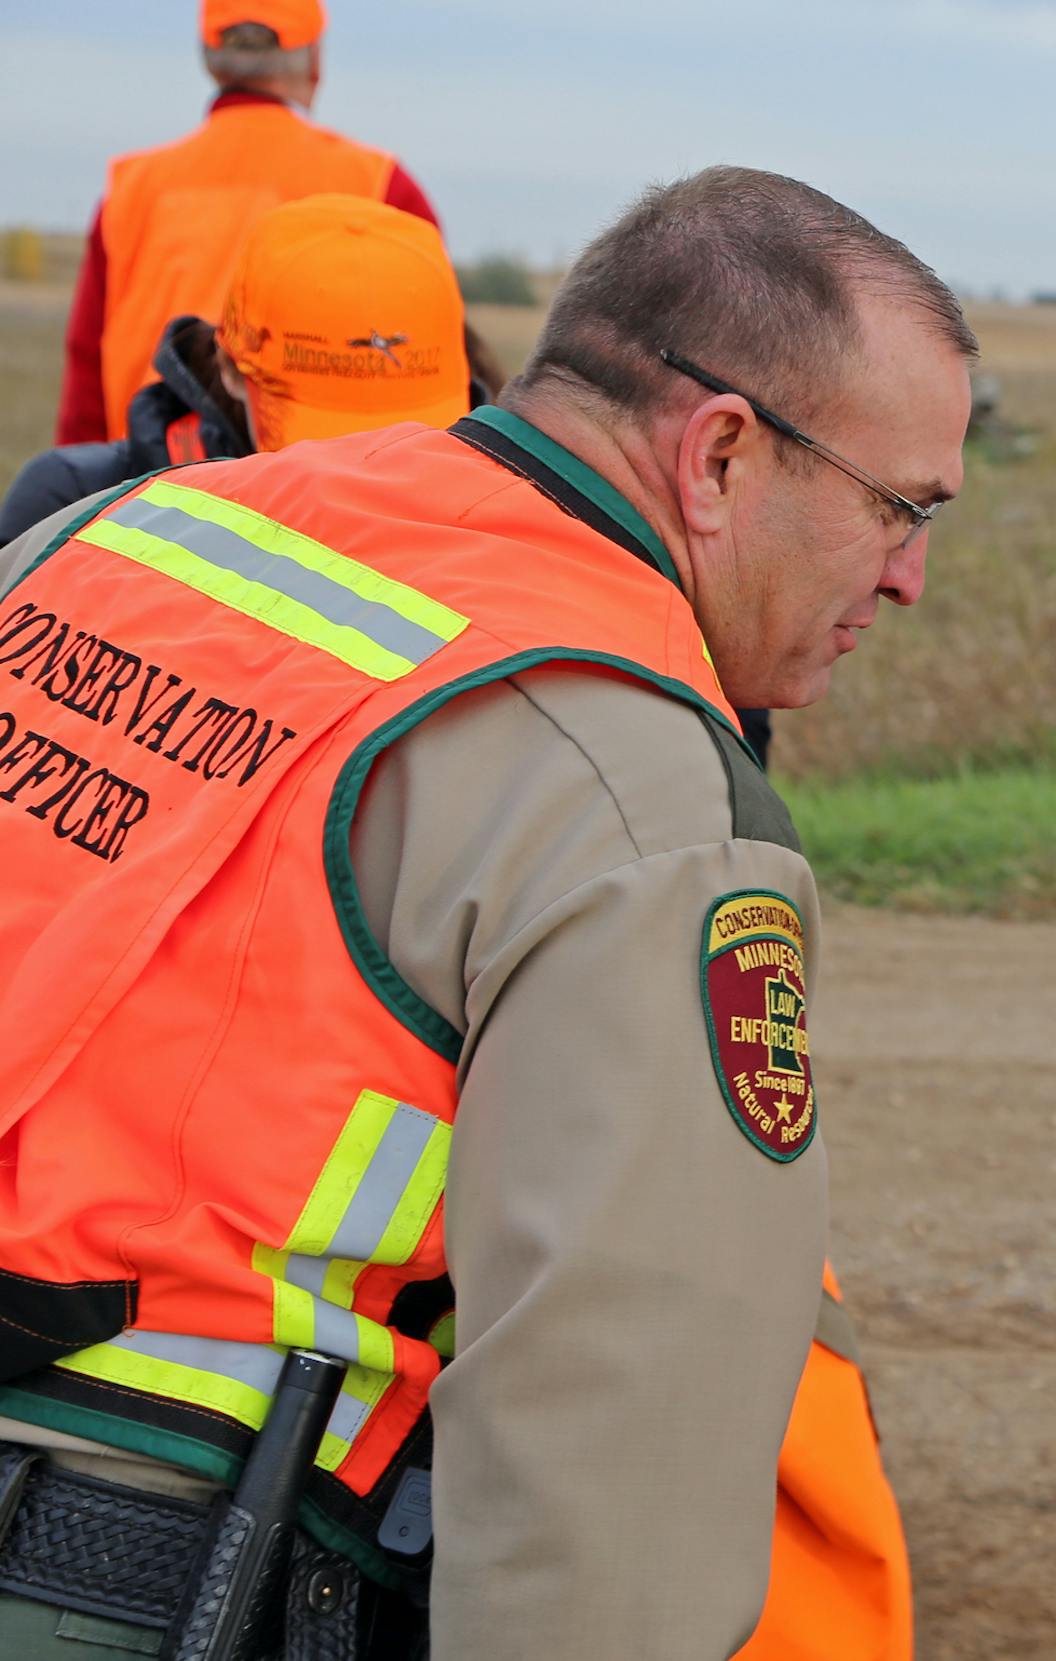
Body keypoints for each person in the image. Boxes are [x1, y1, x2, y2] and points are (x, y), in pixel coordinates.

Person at [0, 164, 972, 1658]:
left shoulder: (120, 541)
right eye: (900, 508)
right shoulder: (636, 799)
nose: (909, 578)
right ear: (718, 454)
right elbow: (612, 1456)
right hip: (143, 1568)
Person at [56, 0, 439, 447]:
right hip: (317, 493)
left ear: (209, 57)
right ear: (315, 59)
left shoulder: (129, 191)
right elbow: (427, 368)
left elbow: (85, 387)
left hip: (146, 494)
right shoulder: (382, 186)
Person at [6, 195, 482, 544]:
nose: (364, 471)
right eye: (326, 439)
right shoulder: (75, 506)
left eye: (407, 437)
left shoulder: (494, 525)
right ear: (232, 370)